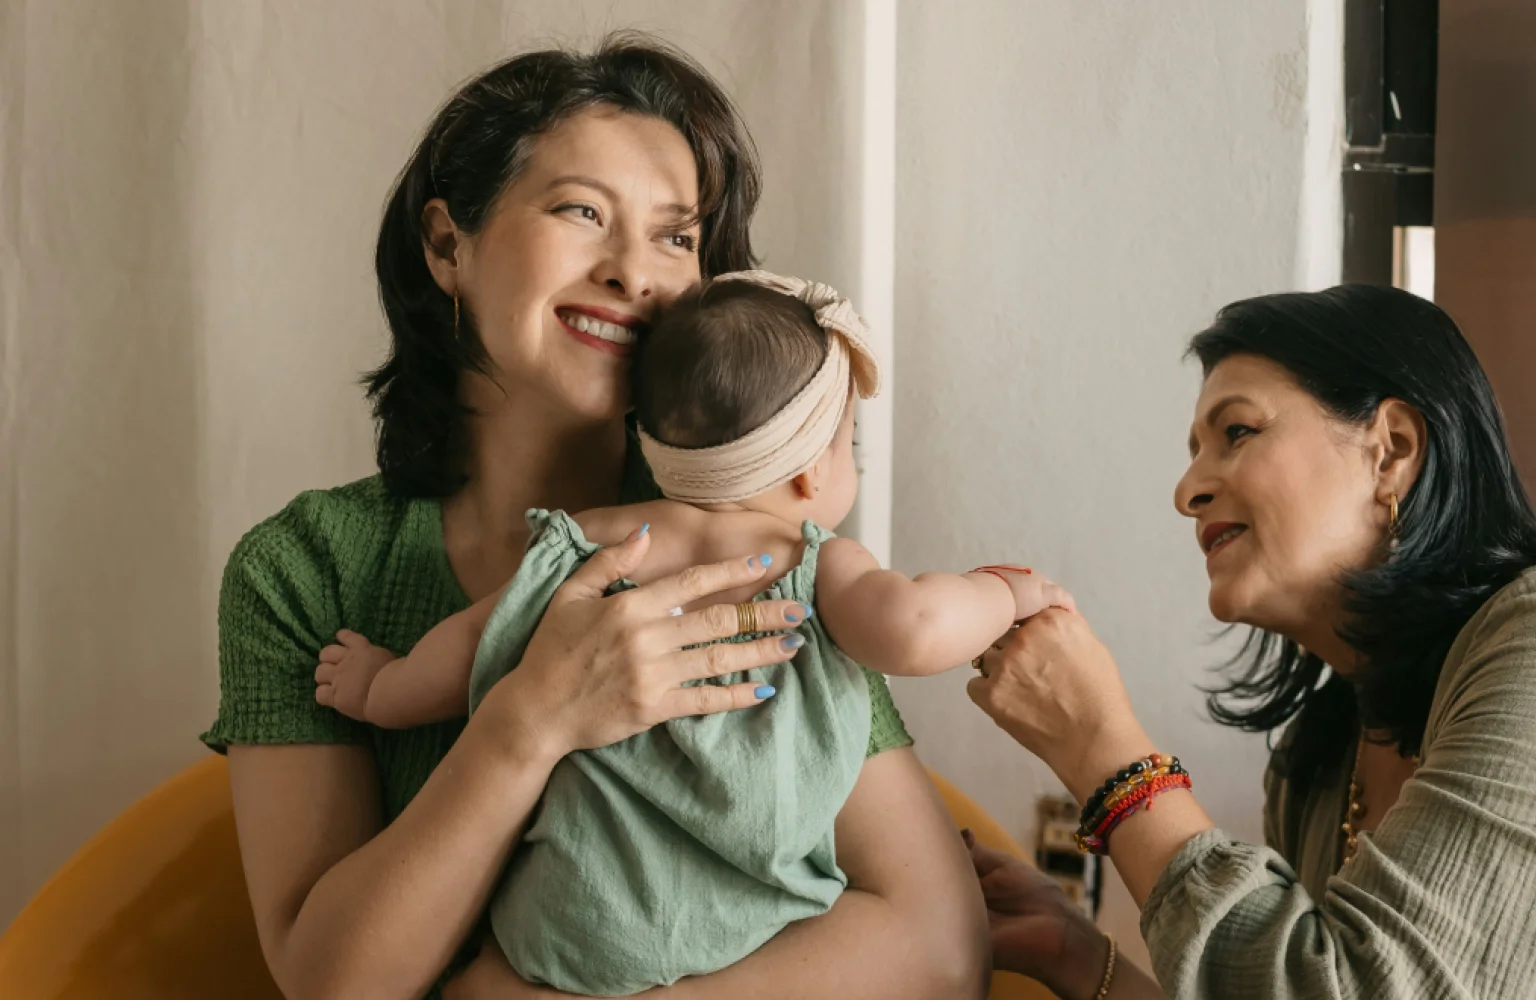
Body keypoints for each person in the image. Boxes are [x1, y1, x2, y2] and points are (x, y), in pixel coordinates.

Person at [203, 35, 989, 1000]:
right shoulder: (306, 571)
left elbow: (942, 947)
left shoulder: (760, 551)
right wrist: (531, 719)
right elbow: (333, 985)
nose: (635, 274)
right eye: (582, 211)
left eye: (676, 235)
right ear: (449, 244)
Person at [314, 270, 1066, 995]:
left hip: (571, 937)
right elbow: (918, 627)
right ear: (809, 473)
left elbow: (476, 640)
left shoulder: (589, 546)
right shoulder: (812, 562)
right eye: (850, 448)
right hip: (761, 930)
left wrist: (381, 684)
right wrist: (1004, 591)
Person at [966, 285, 1536, 999]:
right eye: (1195, 450)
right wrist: (1073, 950)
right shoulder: (1317, 760)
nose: (1187, 491)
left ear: (1391, 450)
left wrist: (1101, 749)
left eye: (1237, 432)